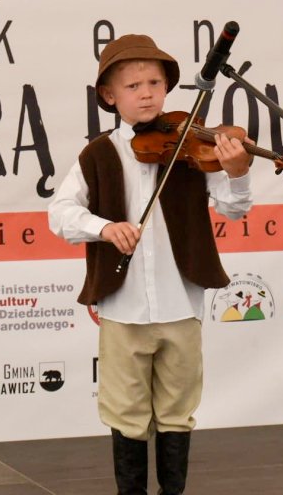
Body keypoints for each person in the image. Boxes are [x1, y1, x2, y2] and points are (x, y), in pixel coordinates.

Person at [48, 34, 253, 495]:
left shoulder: (189, 145)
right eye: (133, 85)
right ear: (109, 96)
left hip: (183, 303)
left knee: (178, 412)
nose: (145, 93)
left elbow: (233, 208)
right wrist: (103, 227)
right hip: (124, 309)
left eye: (154, 82)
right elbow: (60, 213)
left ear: (166, 88)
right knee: (126, 412)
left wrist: (236, 174)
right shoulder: (99, 154)